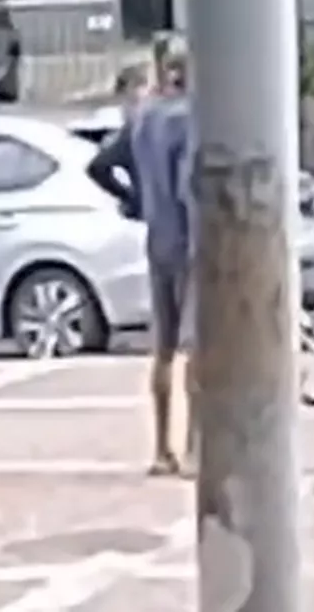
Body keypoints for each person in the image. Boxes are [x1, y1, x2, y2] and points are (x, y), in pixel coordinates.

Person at [130, 48, 197, 477]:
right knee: (196, 349)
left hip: (156, 239)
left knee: (163, 350)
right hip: (189, 242)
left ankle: (160, 448)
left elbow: (103, 164)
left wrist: (136, 204)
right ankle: (192, 448)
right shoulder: (190, 118)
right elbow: (189, 185)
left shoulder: (143, 118)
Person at [86, 65, 150, 219]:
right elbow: (98, 167)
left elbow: (98, 167)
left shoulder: (131, 131)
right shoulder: (134, 131)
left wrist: (128, 197)